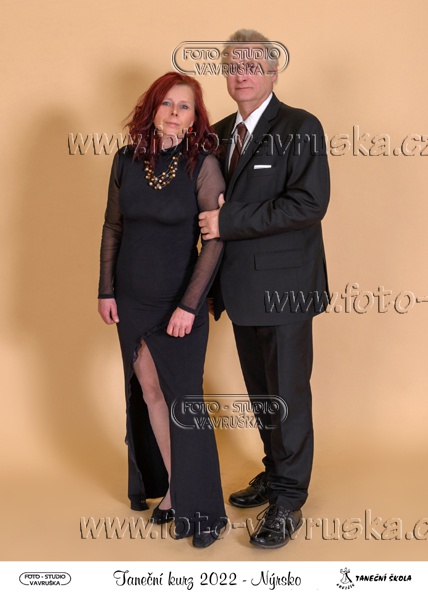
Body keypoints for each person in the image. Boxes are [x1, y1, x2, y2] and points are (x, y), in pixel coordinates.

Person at [199, 29, 330, 549]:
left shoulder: (300, 126)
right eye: (234, 66)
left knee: (288, 395)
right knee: (262, 394)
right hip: (239, 290)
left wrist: (228, 220)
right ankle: (276, 473)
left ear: (274, 73)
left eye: (253, 65)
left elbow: (309, 203)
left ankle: (289, 499)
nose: (242, 74)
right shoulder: (216, 134)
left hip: (287, 289)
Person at [98, 72, 227, 548]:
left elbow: (215, 242)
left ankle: (205, 512)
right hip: (131, 301)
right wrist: (105, 290)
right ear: (152, 109)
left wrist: (190, 306)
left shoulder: (204, 165)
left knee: (184, 402)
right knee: (151, 393)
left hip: (178, 303)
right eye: (167, 103)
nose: (174, 112)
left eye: (184, 106)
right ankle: (174, 491)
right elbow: (113, 227)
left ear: (195, 118)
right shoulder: (125, 160)